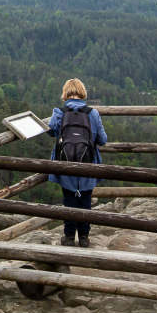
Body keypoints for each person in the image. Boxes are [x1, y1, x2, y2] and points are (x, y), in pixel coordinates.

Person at [47, 78, 108, 248]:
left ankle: (68, 237)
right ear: (82, 92)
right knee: (85, 201)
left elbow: (51, 131)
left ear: (65, 93)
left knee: (69, 201)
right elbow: (102, 140)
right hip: (88, 164)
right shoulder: (92, 113)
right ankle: (84, 237)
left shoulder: (59, 111)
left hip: (65, 164)